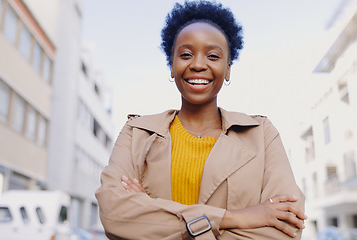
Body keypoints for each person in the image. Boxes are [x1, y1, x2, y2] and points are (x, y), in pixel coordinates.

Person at [95, 1, 306, 239]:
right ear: (172, 66)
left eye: (213, 56)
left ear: (228, 69)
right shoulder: (136, 133)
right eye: (185, 54)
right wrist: (234, 217)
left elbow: (285, 228)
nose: (197, 64)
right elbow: (114, 214)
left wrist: (151, 209)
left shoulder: (262, 134)